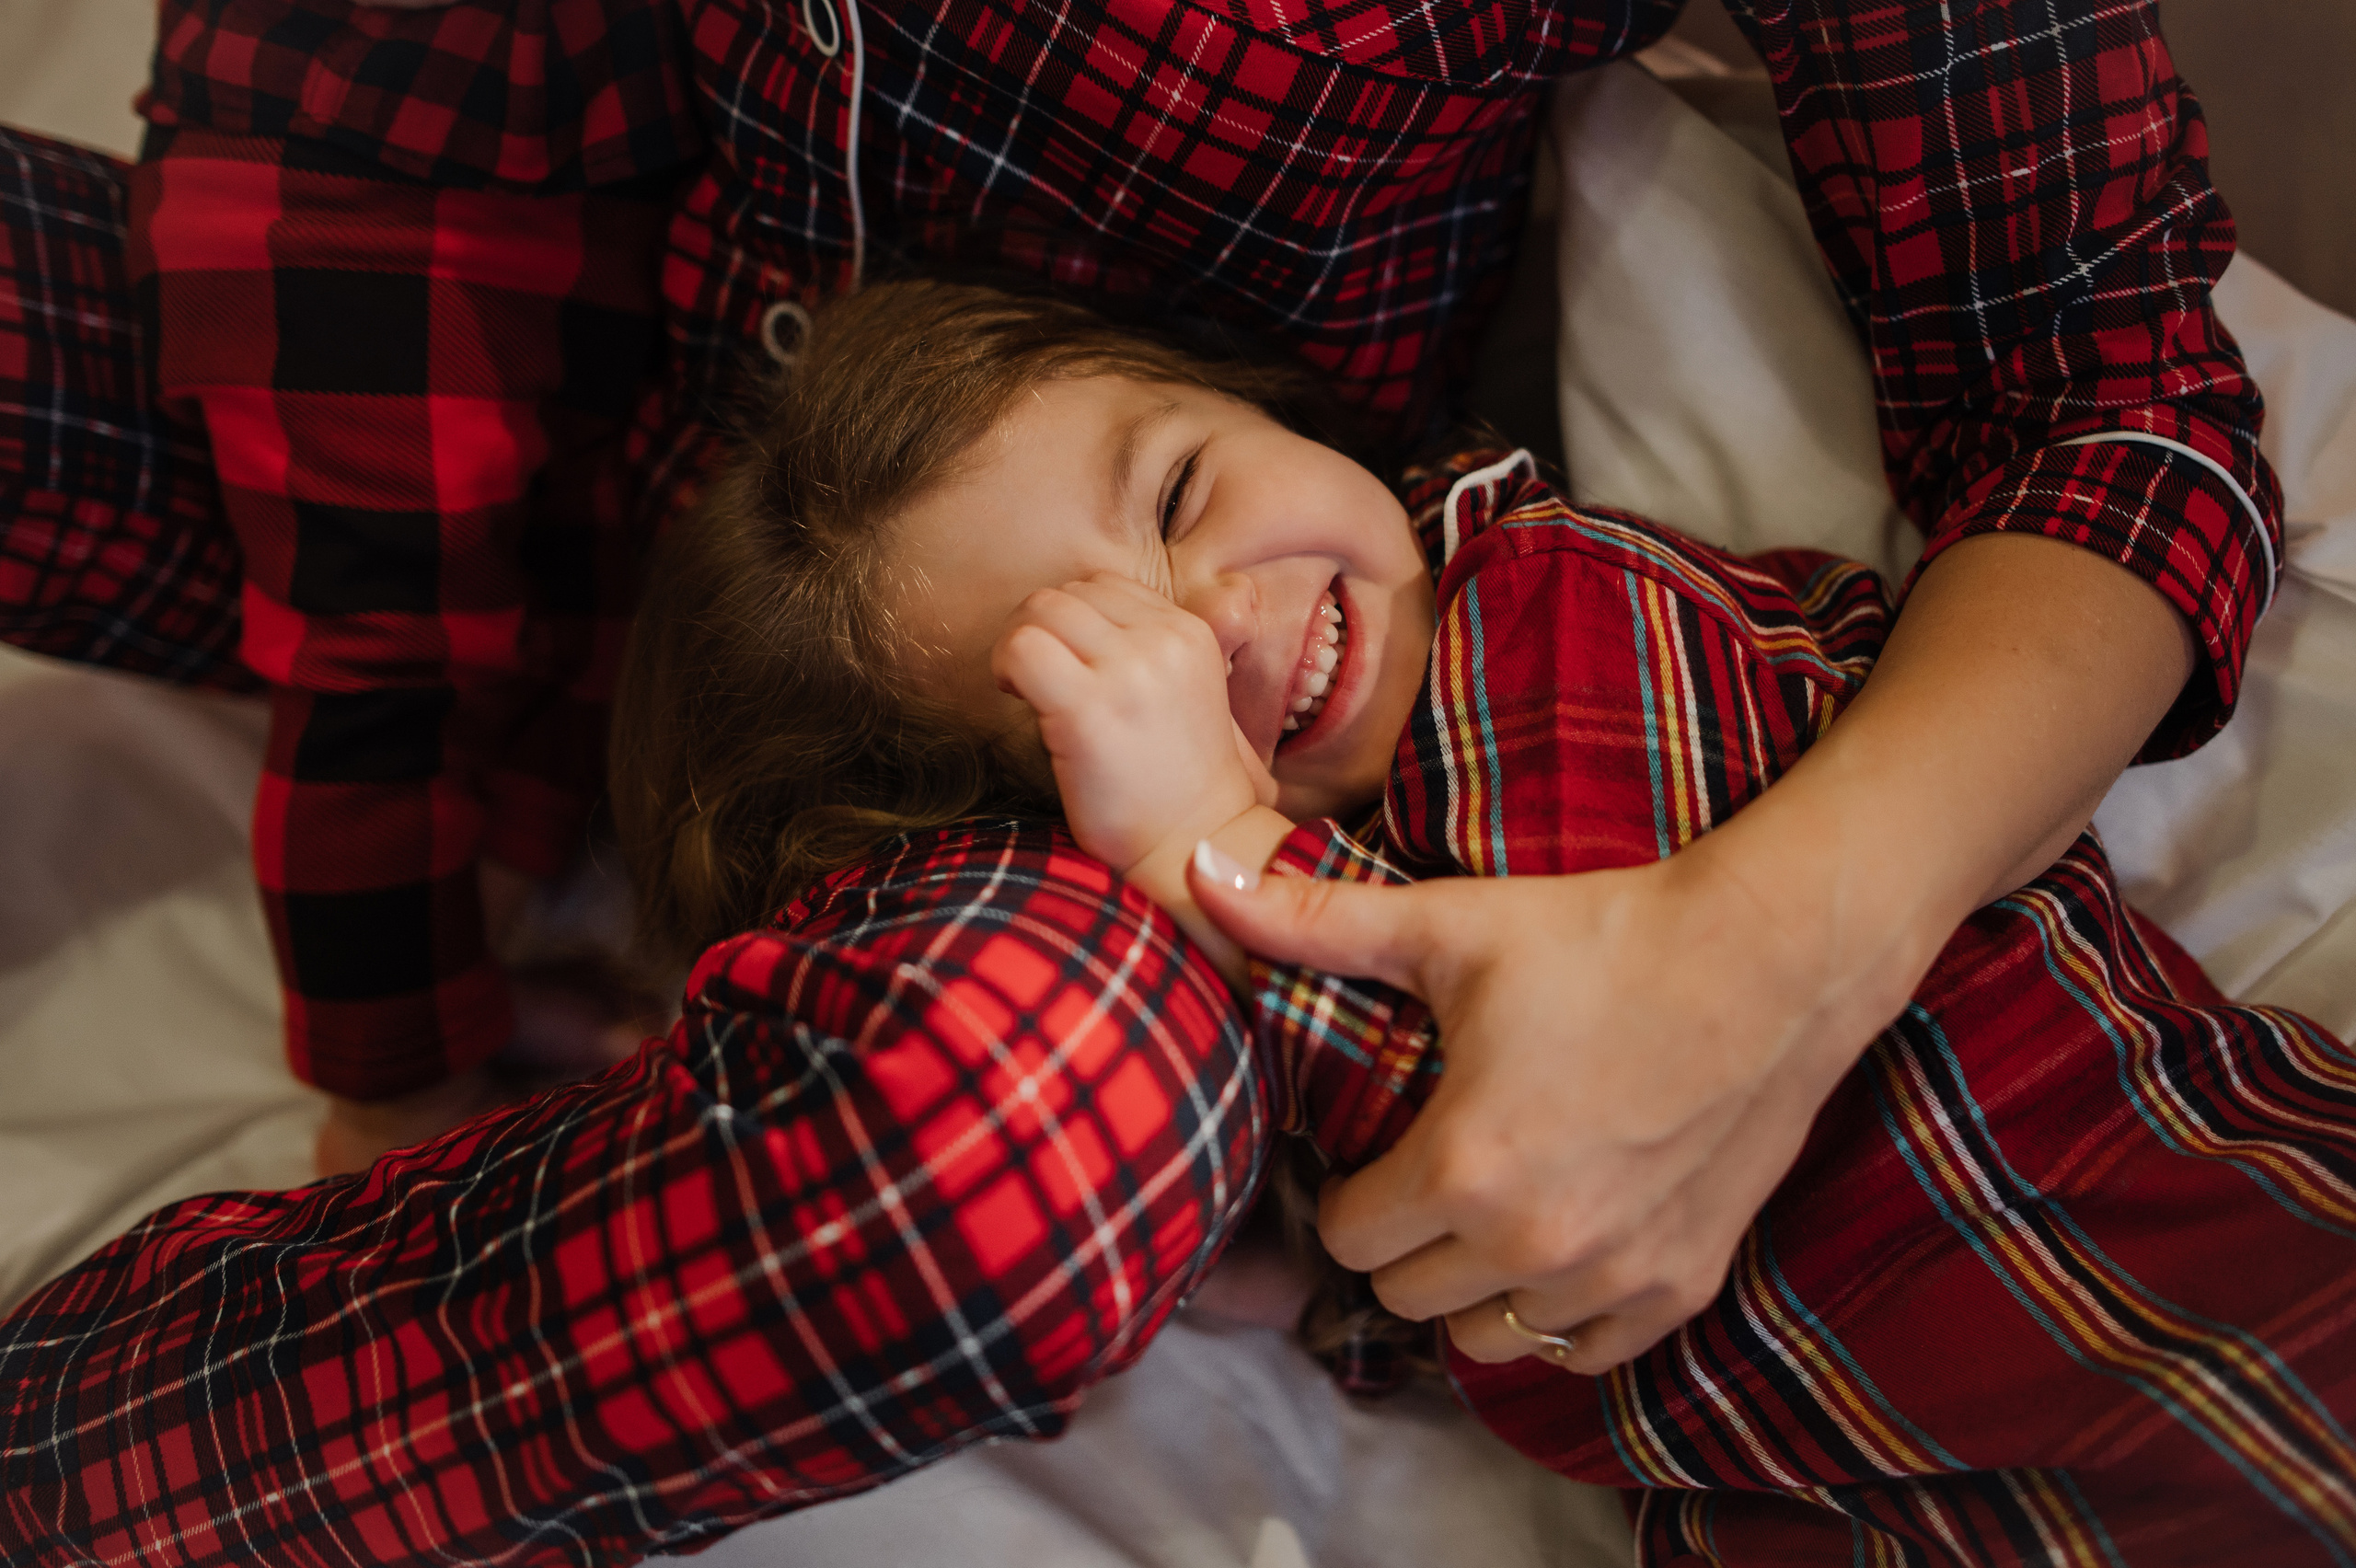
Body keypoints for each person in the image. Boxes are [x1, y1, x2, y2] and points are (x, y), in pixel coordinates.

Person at [7, 276, 2348, 1566]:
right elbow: (1432, 1281)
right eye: (1088, 685)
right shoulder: (1248, 987)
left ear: (1282, 407)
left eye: (1180, 490)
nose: (1208, 623)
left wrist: (1220, 844)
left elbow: (1509, 1071)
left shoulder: (1561, 607)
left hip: (2218, 1272)